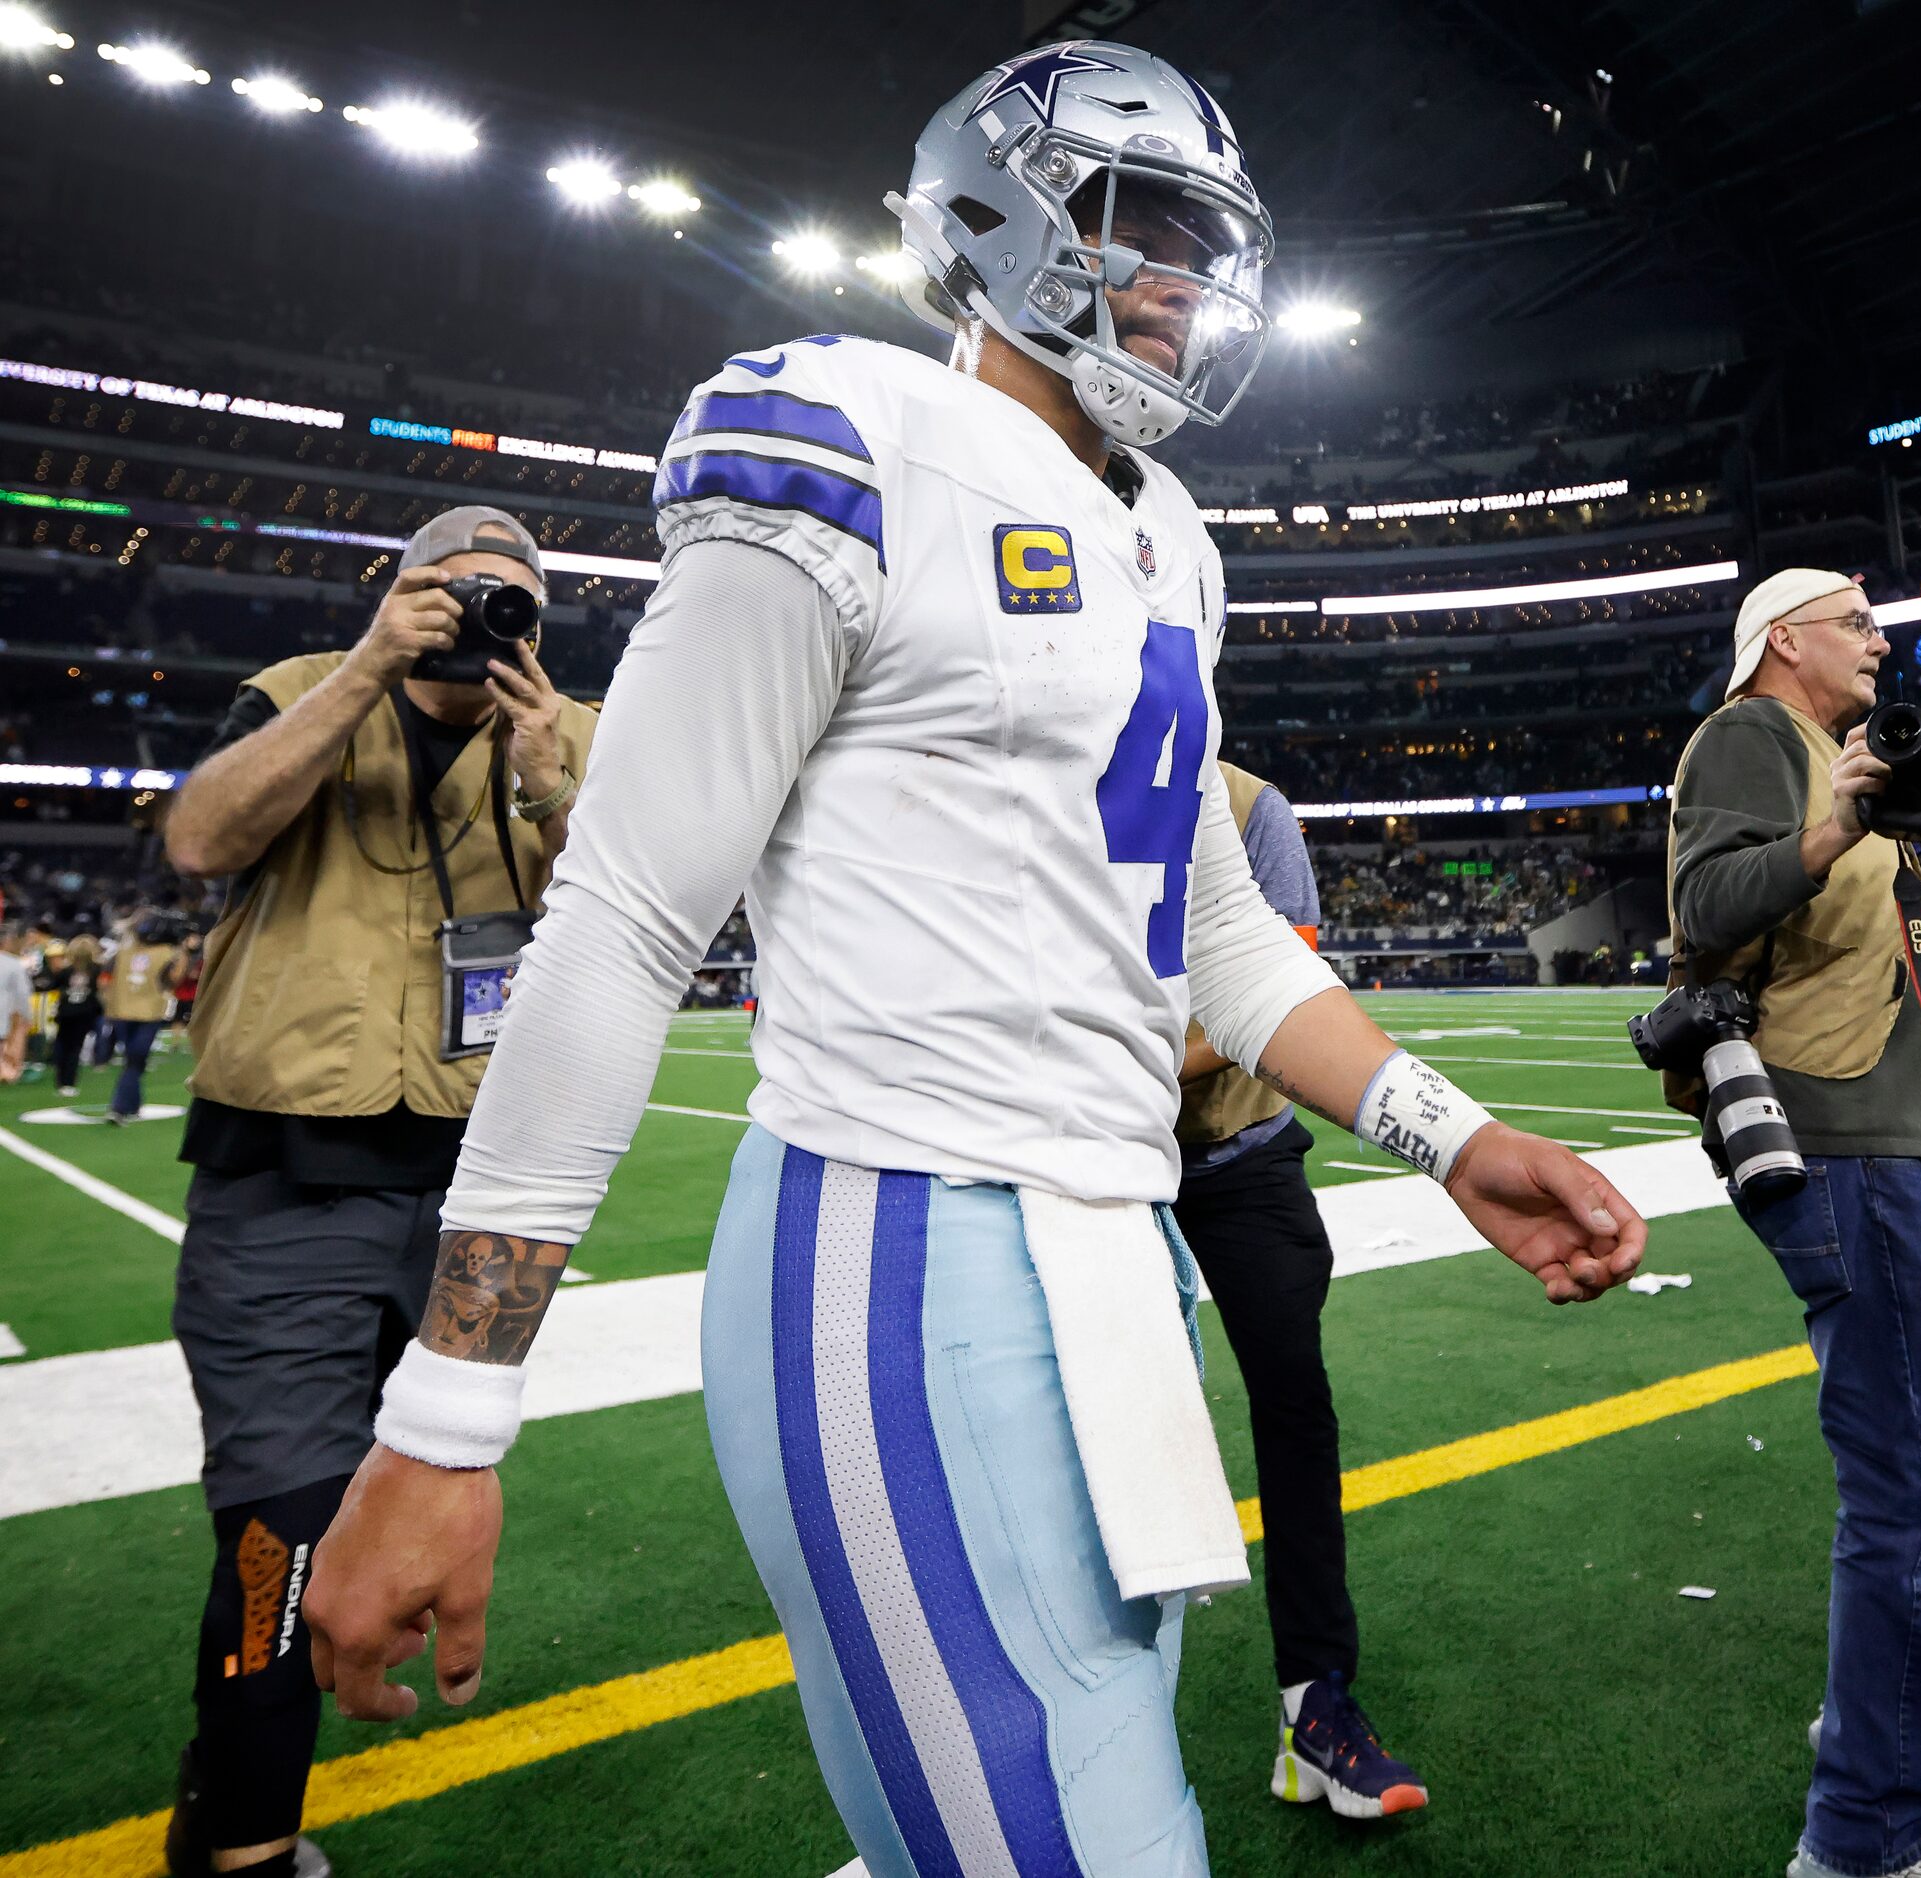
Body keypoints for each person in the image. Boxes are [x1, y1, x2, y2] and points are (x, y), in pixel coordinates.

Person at [299, 47, 1645, 1878]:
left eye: (1205, 244)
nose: (1183, 284)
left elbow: (1211, 925)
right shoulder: (845, 434)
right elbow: (620, 916)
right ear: (993, 223)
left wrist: (1447, 1132)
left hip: (1121, 1244)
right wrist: (449, 1420)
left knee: (1042, 1790)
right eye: (1140, 227)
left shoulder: (1169, 538)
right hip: (896, 1239)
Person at [153, 503, 593, 1878]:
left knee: (408, 1499)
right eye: (458, 592)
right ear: (398, 590)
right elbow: (200, 840)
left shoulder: (567, 732)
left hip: (472, 1186)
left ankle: (216, 1792)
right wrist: (359, 671)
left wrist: (549, 783)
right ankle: (245, 1849)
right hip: (284, 1170)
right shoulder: (298, 692)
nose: (483, 617)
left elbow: (635, 932)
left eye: (511, 597)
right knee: (282, 1527)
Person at [1669, 567, 1921, 1878]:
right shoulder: (1749, 736)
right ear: (1785, 639)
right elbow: (1705, 908)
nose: (1884, 645)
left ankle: (1905, 1725)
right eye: (1859, 625)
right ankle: (1864, 1836)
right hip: (1830, 1137)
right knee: (1916, 1477)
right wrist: (1831, 827)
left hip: (1900, 1133)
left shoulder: (1844, 754)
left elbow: (1918, 926)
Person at [1173, 760, 1425, 1820]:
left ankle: (1315, 1706)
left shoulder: (1246, 806)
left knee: (1294, 1412)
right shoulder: (1027, 764)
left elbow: (1272, 998)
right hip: (1081, 1165)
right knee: (1080, 1424)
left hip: (1236, 1151)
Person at [102, 913, 183, 1123]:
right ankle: (120, 1108)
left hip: (122, 1011)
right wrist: (184, 951)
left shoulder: (124, 951)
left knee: (133, 1060)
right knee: (134, 1061)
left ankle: (129, 1105)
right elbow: (175, 979)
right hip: (148, 1013)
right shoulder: (166, 952)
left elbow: (106, 979)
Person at [48, 921, 104, 1098]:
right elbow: (100, 991)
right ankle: (69, 1083)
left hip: (65, 1012)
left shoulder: (65, 971)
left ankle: (60, 1081)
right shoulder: (96, 970)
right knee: (74, 1049)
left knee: (62, 1045)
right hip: (84, 1013)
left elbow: (53, 986)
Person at [0, 918, 32, 1085]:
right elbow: (22, 992)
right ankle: (7, 1072)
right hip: (5, 1011)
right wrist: (26, 1014)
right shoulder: (13, 964)